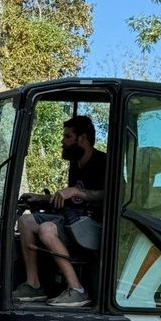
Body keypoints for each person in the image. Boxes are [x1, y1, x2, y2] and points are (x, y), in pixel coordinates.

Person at [13, 114, 107, 307]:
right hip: (72, 221)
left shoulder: (103, 162)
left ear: (82, 139)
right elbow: (69, 198)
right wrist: (41, 198)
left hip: (95, 226)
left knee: (47, 229)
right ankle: (34, 285)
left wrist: (77, 191)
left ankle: (77, 290)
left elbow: (110, 194)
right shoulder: (75, 164)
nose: (62, 142)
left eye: (67, 137)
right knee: (26, 222)